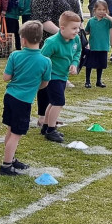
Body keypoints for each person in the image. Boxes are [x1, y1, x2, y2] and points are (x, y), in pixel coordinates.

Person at [30, 0, 81, 126]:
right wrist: (62, 34)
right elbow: (42, 19)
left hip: (65, 41)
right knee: (47, 80)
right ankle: (43, 117)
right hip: (49, 42)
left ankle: (51, 115)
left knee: (58, 81)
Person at [0, 20, 50, 175]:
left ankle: (11, 158)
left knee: (10, 130)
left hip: (10, 97)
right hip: (23, 102)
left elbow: (6, 77)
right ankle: (6, 165)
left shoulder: (15, 55)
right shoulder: (45, 61)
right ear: (40, 39)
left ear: (23, 40)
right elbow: (44, 84)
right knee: (16, 134)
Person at [40, 11, 83, 141]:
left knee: (53, 102)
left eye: (78, 28)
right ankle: (51, 130)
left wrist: (74, 64)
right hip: (52, 77)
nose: (77, 31)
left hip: (63, 76)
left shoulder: (76, 39)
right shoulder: (52, 42)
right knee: (59, 102)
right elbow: (42, 59)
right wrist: (43, 76)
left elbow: (78, 52)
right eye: (74, 28)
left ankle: (46, 126)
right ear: (62, 28)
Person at [84, 0, 112, 88]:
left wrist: (107, 16)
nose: (101, 12)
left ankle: (98, 81)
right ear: (94, 10)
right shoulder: (91, 21)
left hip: (103, 47)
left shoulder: (107, 21)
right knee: (89, 64)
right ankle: (87, 81)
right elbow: (87, 31)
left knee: (101, 65)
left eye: (104, 9)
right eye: (99, 9)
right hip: (93, 46)